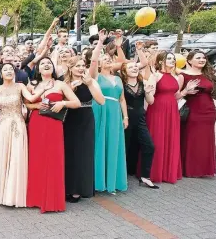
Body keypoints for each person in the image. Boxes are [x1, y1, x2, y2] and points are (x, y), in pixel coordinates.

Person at [25, 57, 80, 213]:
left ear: (53, 68)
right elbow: (27, 104)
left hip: (54, 125)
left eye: (49, 63)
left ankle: (52, 199)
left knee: (53, 159)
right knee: (37, 159)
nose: (46, 65)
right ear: (38, 69)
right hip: (36, 124)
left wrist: (63, 103)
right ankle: (36, 198)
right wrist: (36, 105)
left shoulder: (61, 84)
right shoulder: (33, 85)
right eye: (42, 63)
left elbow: (76, 103)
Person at [0, 63, 37, 207]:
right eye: (5, 69)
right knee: (1, 157)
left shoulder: (20, 87)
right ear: (1, 74)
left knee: (16, 158)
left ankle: (14, 196)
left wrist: (38, 88)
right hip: (0, 125)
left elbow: (30, 99)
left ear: (15, 73)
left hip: (17, 125)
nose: (8, 71)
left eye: (11, 69)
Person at [145, 52, 196, 184]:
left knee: (170, 138)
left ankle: (168, 171)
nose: (172, 61)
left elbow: (176, 95)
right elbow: (150, 99)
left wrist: (186, 91)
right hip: (157, 110)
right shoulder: (155, 75)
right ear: (161, 60)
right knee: (157, 138)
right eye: (169, 58)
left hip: (172, 111)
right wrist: (148, 92)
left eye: (173, 59)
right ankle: (154, 172)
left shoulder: (176, 77)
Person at [63, 55, 105, 202]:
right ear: (70, 67)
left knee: (83, 153)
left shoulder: (91, 81)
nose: (81, 68)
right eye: (77, 66)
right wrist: (70, 89)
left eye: (82, 65)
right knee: (69, 153)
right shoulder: (65, 81)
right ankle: (67, 187)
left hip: (86, 118)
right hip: (69, 119)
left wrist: (90, 84)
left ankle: (79, 190)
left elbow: (101, 101)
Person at [91, 36, 129, 195]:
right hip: (100, 109)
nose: (107, 60)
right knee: (100, 143)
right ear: (99, 63)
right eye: (104, 59)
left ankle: (112, 181)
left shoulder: (118, 78)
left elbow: (122, 99)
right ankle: (98, 181)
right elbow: (93, 61)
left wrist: (125, 117)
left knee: (114, 144)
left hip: (115, 112)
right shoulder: (95, 77)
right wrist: (100, 44)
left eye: (109, 58)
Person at [180, 50, 216, 178]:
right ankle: (190, 169)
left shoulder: (211, 74)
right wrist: (185, 91)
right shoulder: (183, 75)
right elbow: (175, 96)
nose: (202, 60)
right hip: (192, 111)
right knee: (191, 139)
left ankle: (204, 169)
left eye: (204, 58)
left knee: (205, 140)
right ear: (189, 60)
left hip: (209, 111)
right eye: (198, 57)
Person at [120, 61, 158, 189]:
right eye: (130, 67)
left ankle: (145, 177)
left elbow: (150, 101)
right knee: (125, 147)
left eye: (136, 66)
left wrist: (147, 92)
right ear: (125, 71)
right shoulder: (122, 84)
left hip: (140, 119)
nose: (134, 68)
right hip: (125, 119)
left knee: (149, 146)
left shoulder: (144, 83)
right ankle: (121, 175)